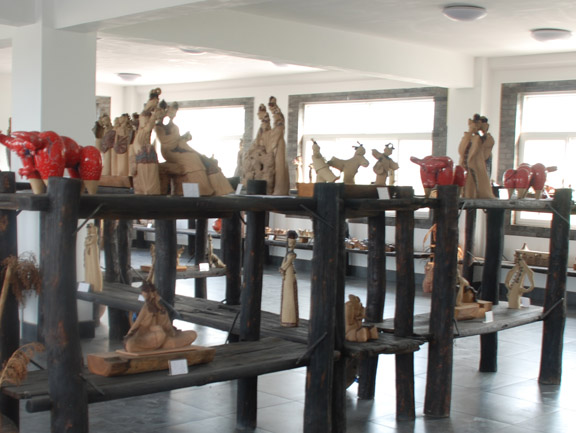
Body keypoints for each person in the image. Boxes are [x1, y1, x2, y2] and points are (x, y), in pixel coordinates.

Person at [123, 281, 197, 352]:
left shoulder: (162, 309)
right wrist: (128, 336)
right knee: (131, 345)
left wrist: (172, 332)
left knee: (193, 334)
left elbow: (168, 326)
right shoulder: (146, 308)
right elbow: (137, 324)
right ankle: (162, 344)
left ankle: (165, 344)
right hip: (148, 336)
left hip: (165, 338)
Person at [279, 230, 299, 327]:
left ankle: (289, 319)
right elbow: (285, 262)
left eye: (292, 242)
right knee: (288, 293)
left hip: (289, 272)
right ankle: (287, 318)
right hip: (288, 272)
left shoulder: (291, 254)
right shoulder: (289, 253)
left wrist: (282, 269)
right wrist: (282, 269)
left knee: (289, 293)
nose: (291, 244)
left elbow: (286, 263)